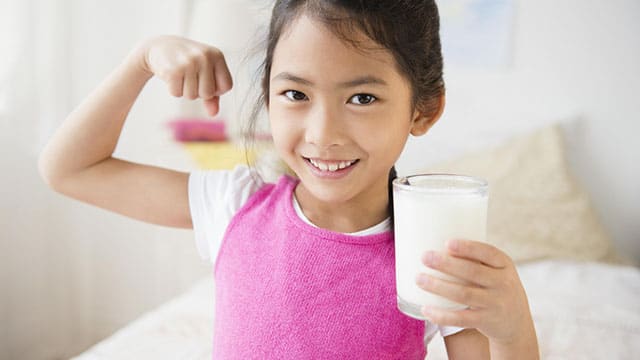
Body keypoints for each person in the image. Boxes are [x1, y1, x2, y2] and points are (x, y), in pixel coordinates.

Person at [39, 0, 539, 358]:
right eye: (296, 95)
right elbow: (70, 169)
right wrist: (141, 60)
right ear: (268, 95)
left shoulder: (429, 258)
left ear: (424, 109)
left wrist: (513, 330)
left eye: (361, 98)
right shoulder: (235, 206)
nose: (322, 135)